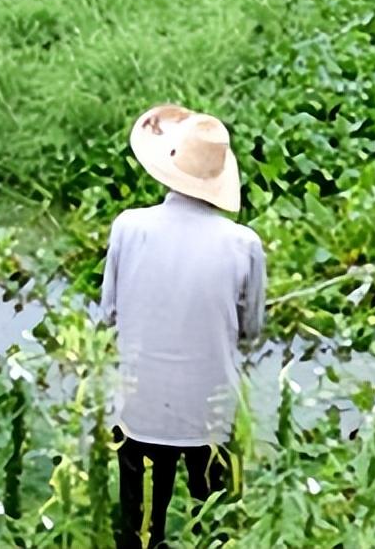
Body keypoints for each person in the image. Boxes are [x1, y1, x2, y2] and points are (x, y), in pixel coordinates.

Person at [103, 105, 266, 549]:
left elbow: (108, 315)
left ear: (167, 170)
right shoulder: (244, 244)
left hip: (137, 410)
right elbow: (251, 331)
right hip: (209, 417)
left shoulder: (127, 228)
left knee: (138, 528)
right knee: (208, 522)